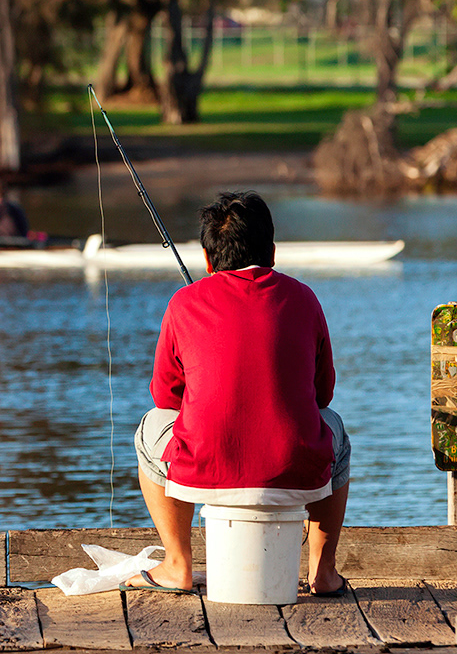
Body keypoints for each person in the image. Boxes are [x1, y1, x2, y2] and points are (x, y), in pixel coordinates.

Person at [126, 190, 350, 597]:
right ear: (273, 253)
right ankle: (323, 571)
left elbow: (165, 397)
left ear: (209, 260)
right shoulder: (304, 297)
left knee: (150, 427)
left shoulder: (182, 302)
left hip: (203, 470)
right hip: (296, 468)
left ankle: (177, 564)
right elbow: (324, 395)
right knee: (335, 428)